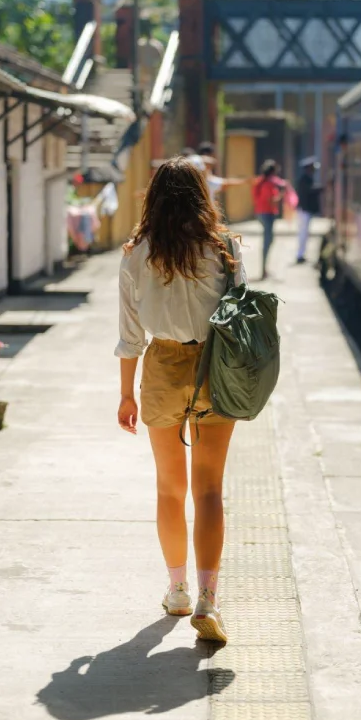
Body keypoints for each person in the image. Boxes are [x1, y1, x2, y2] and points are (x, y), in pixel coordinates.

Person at [115, 156, 248, 644]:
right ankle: (210, 599)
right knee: (209, 489)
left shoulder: (136, 253)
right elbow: (241, 317)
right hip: (217, 367)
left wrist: (126, 394)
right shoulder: (226, 248)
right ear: (202, 195)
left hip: (163, 368)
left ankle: (177, 590)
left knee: (170, 488)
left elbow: (130, 336)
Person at [252, 159, 285, 280]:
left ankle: (265, 269)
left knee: (268, 240)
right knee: (268, 241)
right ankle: (263, 270)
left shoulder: (260, 181)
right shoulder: (268, 183)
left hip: (261, 213)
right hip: (267, 213)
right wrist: (281, 195)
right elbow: (271, 200)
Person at [295, 156, 323, 264]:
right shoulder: (304, 179)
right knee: (303, 233)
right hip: (304, 210)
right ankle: (300, 255)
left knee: (305, 233)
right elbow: (309, 191)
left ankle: (302, 254)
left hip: (306, 210)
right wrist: (322, 188)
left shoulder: (308, 178)